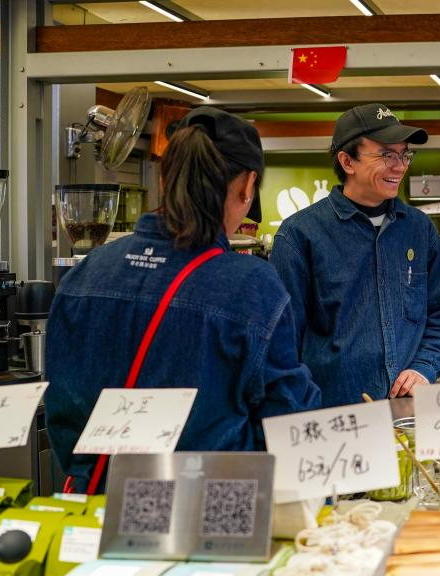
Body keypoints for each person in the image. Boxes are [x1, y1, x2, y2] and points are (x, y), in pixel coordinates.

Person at [46, 107, 321, 494]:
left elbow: (61, 408)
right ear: (247, 187)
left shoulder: (88, 270)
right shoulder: (250, 284)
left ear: (164, 177)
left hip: (98, 508)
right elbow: (288, 415)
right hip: (213, 510)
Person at [270, 104, 440, 407]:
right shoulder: (298, 236)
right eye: (386, 155)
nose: (400, 166)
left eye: (404, 154)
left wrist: (424, 367)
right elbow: (282, 343)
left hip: (407, 410)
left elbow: (437, 317)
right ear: (347, 161)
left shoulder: (420, 230)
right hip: (334, 414)